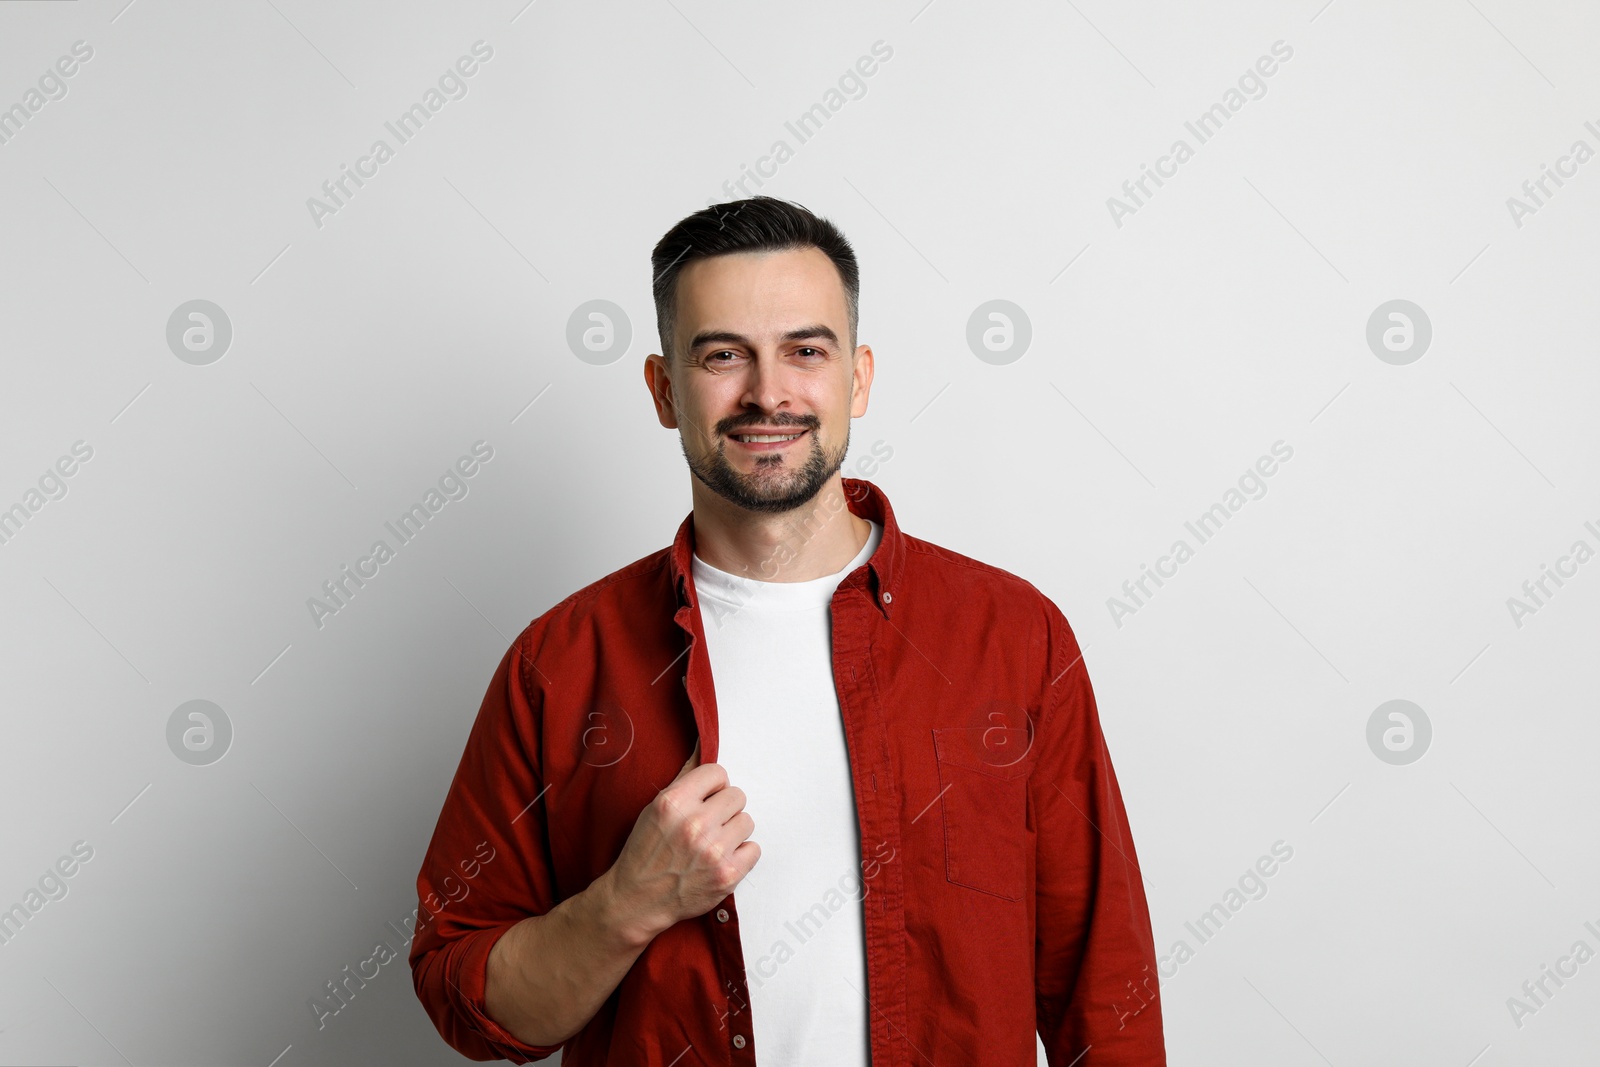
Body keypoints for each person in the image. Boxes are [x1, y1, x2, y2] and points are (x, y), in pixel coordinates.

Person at [408, 196, 1167, 1065]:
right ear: (663, 391)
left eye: (806, 350)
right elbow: (464, 993)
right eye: (724, 354)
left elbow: (1105, 994)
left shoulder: (1013, 637)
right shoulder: (561, 664)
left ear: (859, 378)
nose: (768, 392)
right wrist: (624, 904)